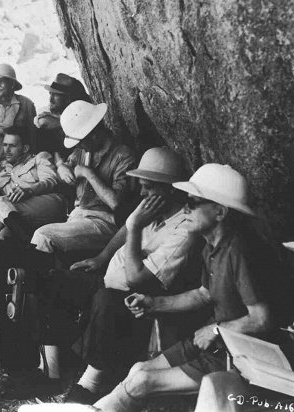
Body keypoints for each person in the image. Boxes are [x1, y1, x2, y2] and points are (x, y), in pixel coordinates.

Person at [94, 164, 274, 412]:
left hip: (241, 356)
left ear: (219, 212)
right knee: (138, 370)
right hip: (216, 343)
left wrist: (215, 330)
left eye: (194, 202)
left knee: (143, 381)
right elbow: (204, 294)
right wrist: (154, 303)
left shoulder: (239, 250)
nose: (186, 208)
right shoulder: (210, 247)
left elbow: (262, 319)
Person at [60, 148, 198, 404]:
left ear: (169, 189)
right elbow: (126, 227)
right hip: (109, 283)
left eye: (148, 187)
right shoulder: (153, 209)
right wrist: (101, 258)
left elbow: (137, 280)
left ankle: (91, 382)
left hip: (137, 308)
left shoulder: (185, 230)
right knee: (60, 279)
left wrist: (135, 226)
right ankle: (55, 366)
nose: (142, 193)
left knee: (105, 300)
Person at [30, 101, 136, 259]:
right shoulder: (83, 151)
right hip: (78, 217)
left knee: (43, 236)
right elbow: (65, 169)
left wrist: (88, 173)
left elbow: (116, 203)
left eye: (83, 141)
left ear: (95, 134)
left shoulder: (123, 155)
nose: (81, 146)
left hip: (105, 221)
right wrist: (61, 167)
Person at [0, 126, 66, 243]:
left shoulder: (39, 158)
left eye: (12, 146)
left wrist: (29, 190)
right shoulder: (3, 174)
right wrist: (1, 217)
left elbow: (51, 181)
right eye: (5, 145)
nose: (7, 150)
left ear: (25, 148)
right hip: (24, 215)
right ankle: (29, 244)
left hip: (50, 204)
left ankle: (26, 241)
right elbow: (9, 204)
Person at [35, 73, 90, 157]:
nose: (50, 99)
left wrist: (60, 123)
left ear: (68, 98)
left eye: (55, 95)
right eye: (50, 93)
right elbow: (40, 120)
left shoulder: (83, 109)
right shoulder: (56, 109)